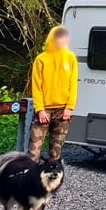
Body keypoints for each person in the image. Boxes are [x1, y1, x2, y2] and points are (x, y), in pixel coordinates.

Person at [28, 26, 79, 161]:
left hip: (63, 110)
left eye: (65, 38)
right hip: (45, 109)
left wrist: (69, 107)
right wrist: (40, 110)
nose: (63, 41)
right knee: (34, 150)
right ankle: (30, 176)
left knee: (56, 151)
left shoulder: (70, 58)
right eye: (60, 38)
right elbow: (36, 87)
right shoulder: (41, 59)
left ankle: (52, 178)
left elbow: (73, 84)